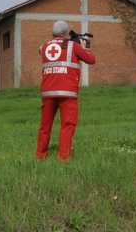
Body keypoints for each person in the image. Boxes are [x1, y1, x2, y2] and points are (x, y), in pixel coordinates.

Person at [35, 20, 95, 161]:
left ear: (53, 32)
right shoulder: (73, 46)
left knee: (45, 126)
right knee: (67, 125)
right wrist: (83, 47)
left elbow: (41, 49)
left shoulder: (44, 47)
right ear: (66, 33)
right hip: (67, 93)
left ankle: (40, 155)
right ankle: (63, 157)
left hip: (48, 93)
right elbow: (91, 60)